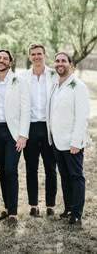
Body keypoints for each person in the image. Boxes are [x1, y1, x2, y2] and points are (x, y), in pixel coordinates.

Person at [0, 49, 30, 226]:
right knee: (2, 170)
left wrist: (23, 135)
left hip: (13, 132)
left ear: (10, 62)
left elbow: (26, 109)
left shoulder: (19, 81)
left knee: (11, 170)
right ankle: (6, 208)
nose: (1, 60)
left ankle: (13, 212)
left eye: (5, 58)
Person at [47, 52, 90, 225]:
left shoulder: (78, 86)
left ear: (71, 64)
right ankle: (69, 208)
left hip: (72, 142)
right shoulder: (55, 85)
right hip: (57, 140)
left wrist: (76, 141)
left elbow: (82, 116)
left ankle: (77, 213)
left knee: (76, 176)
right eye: (57, 61)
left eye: (63, 61)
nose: (59, 64)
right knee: (64, 176)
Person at [21, 43, 57, 217]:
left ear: (45, 55)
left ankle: (50, 205)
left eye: (39, 54)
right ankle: (34, 205)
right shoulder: (23, 77)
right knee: (31, 168)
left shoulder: (54, 75)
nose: (36, 57)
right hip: (30, 128)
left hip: (49, 127)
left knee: (50, 168)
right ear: (30, 57)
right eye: (33, 54)